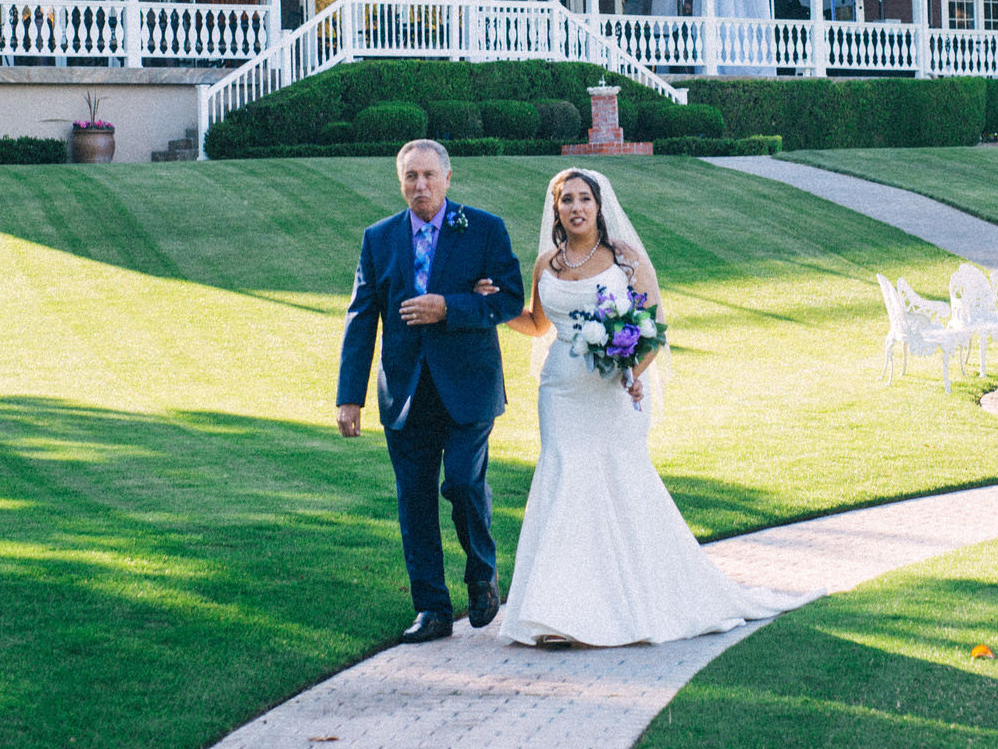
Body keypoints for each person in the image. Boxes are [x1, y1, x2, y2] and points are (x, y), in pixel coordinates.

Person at [480, 166, 818, 648]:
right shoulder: (545, 265)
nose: (576, 208)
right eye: (566, 200)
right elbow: (537, 324)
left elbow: (654, 328)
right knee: (563, 479)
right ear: (556, 210)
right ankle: (558, 613)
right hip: (560, 391)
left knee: (619, 483)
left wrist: (631, 374)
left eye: (584, 199)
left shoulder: (626, 260)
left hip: (613, 390)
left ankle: (626, 605)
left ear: (599, 206)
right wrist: (495, 306)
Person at [336, 139, 525, 643]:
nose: (420, 186)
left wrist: (451, 307)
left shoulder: (483, 229)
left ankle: (482, 575)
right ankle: (432, 609)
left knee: (463, 482)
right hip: (404, 392)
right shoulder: (378, 238)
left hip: (468, 386)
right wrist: (349, 396)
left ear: (447, 178)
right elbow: (361, 318)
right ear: (400, 182)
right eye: (410, 177)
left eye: (428, 176)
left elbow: (510, 300)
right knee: (415, 500)